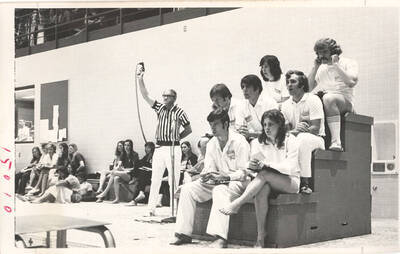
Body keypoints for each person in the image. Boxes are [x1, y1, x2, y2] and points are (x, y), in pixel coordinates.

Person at [219, 109, 300, 248]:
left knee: (265, 175)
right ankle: (261, 237)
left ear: (279, 125)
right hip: (265, 181)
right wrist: (250, 165)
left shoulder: (290, 140)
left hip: (290, 182)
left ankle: (238, 203)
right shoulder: (257, 142)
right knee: (261, 190)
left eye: (271, 124)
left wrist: (267, 165)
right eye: (265, 124)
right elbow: (250, 166)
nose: (267, 128)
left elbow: (290, 167)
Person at [171, 109, 250, 248]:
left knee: (220, 190)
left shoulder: (240, 141)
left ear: (226, 124)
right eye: (211, 125)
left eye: (216, 124)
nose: (212, 128)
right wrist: (207, 175)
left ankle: (220, 238)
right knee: (187, 189)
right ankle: (184, 233)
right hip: (218, 181)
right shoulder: (212, 143)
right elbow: (209, 168)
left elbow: (244, 172)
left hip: (237, 183)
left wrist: (226, 177)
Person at [136, 62, 192, 216]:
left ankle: (175, 211)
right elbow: (145, 95)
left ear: (174, 98)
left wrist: (177, 138)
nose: (165, 98)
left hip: (173, 148)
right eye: (164, 96)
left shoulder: (179, 112)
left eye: (168, 96)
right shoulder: (159, 108)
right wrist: (140, 79)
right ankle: (151, 209)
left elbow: (189, 129)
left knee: (173, 180)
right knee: (155, 178)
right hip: (159, 148)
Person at [308, 38, 359, 151]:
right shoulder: (321, 68)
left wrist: (336, 65)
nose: (321, 56)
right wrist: (315, 67)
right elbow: (308, 89)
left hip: (345, 101)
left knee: (328, 98)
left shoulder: (348, 62)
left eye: (324, 52)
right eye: (318, 53)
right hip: (328, 100)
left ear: (334, 51)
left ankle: (336, 142)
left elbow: (351, 83)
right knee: (310, 99)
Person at [281, 70, 325, 193]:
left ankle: (304, 182)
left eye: (293, 82)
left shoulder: (313, 99)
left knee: (302, 139)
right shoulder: (285, 105)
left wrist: (296, 133)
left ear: (302, 85)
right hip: (294, 136)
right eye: (288, 82)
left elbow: (315, 129)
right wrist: (294, 131)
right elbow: (286, 128)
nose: (289, 84)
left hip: (317, 139)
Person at [236, 74, 278, 140]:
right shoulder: (241, 105)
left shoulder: (270, 103)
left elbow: (274, 131)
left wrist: (251, 134)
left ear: (257, 89)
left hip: (271, 140)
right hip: (250, 141)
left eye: (247, 87)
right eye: (243, 87)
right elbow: (240, 129)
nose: (244, 90)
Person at [96, 139, 139, 203]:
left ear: (131, 146)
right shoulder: (123, 155)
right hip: (123, 173)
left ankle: (105, 192)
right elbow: (119, 165)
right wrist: (118, 167)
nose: (126, 147)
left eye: (128, 145)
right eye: (125, 145)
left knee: (114, 173)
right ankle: (117, 198)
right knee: (116, 178)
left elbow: (135, 168)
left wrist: (124, 169)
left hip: (131, 175)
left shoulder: (135, 154)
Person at [126, 142, 155, 206]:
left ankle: (135, 199)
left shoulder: (155, 156)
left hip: (152, 176)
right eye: (145, 148)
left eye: (148, 148)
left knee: (142, 174)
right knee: (139, 167)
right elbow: (141, 162)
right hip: (146, 176)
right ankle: (139, 194)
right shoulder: (147, 156)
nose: (146, 149)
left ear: (152, 148)